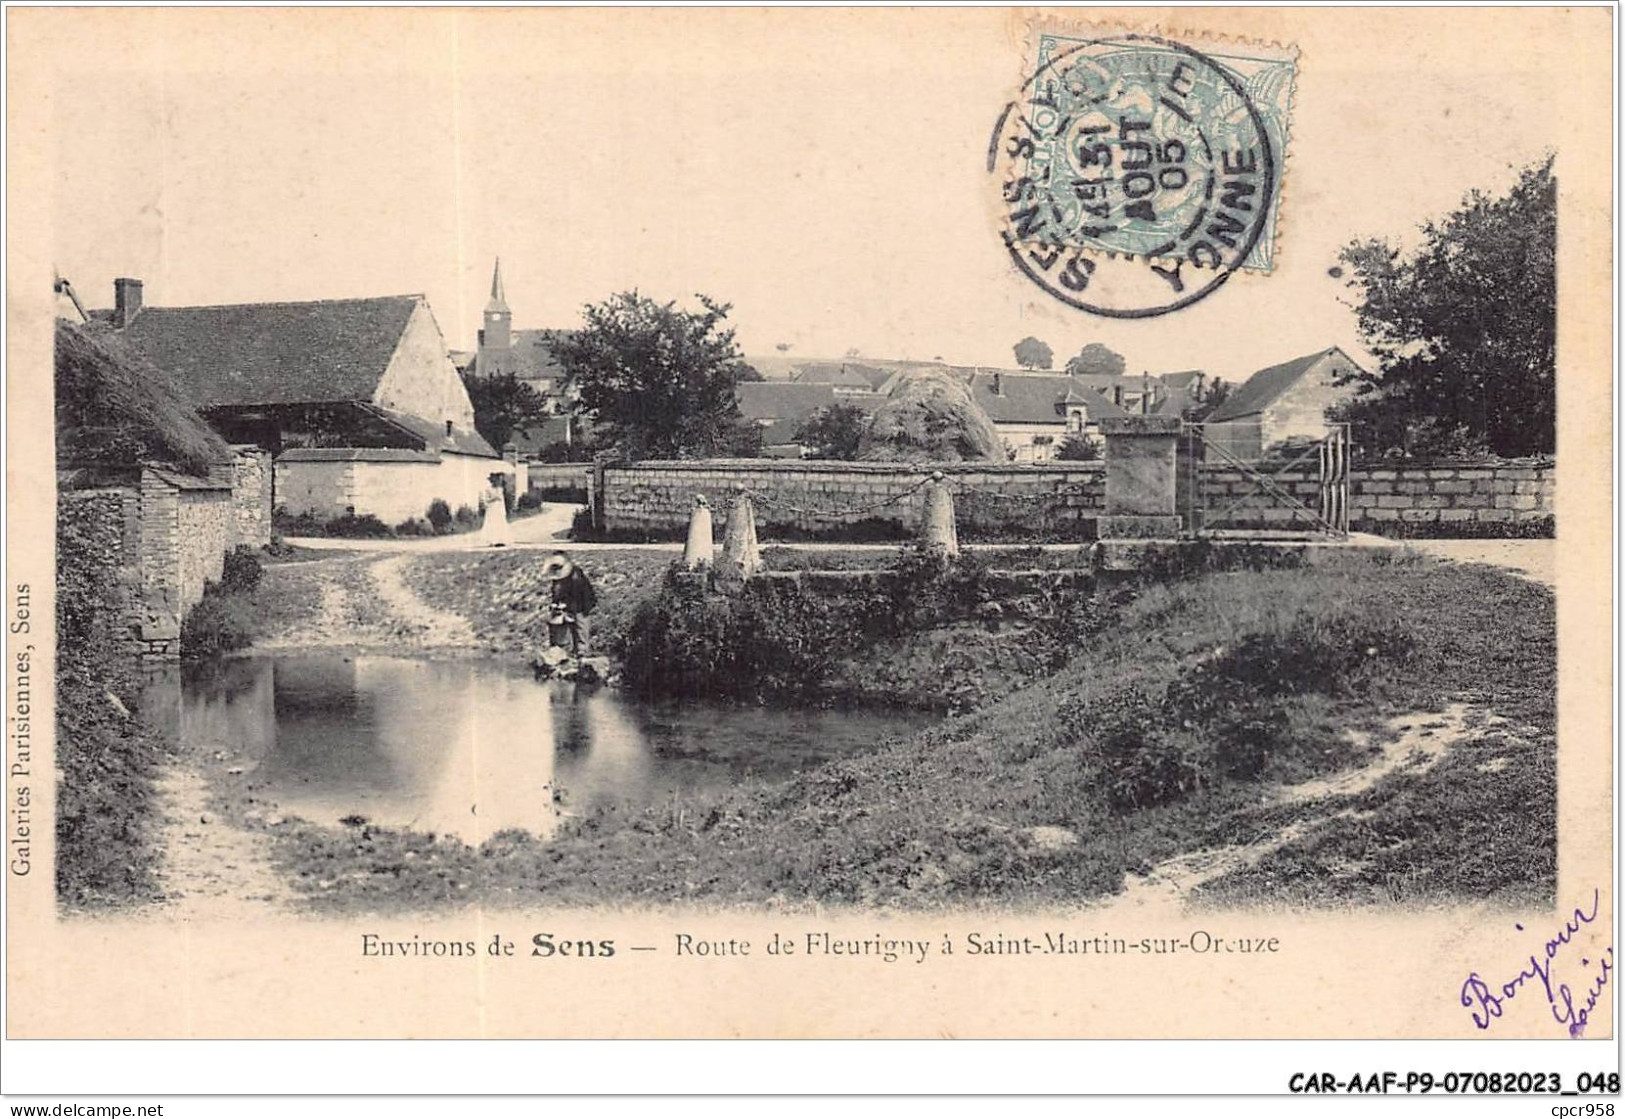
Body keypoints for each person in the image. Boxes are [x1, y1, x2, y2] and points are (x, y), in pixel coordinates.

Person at [540, 551, 597, 654]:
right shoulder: (557, 578)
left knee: (581, 627)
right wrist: (556, 603)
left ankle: (582, 652)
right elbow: (557, 592)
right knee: (561, 625)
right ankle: (564, 650)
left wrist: (567, 606)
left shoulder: (576, 576)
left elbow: (578, 596)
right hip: (569, 604)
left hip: (582, 605)